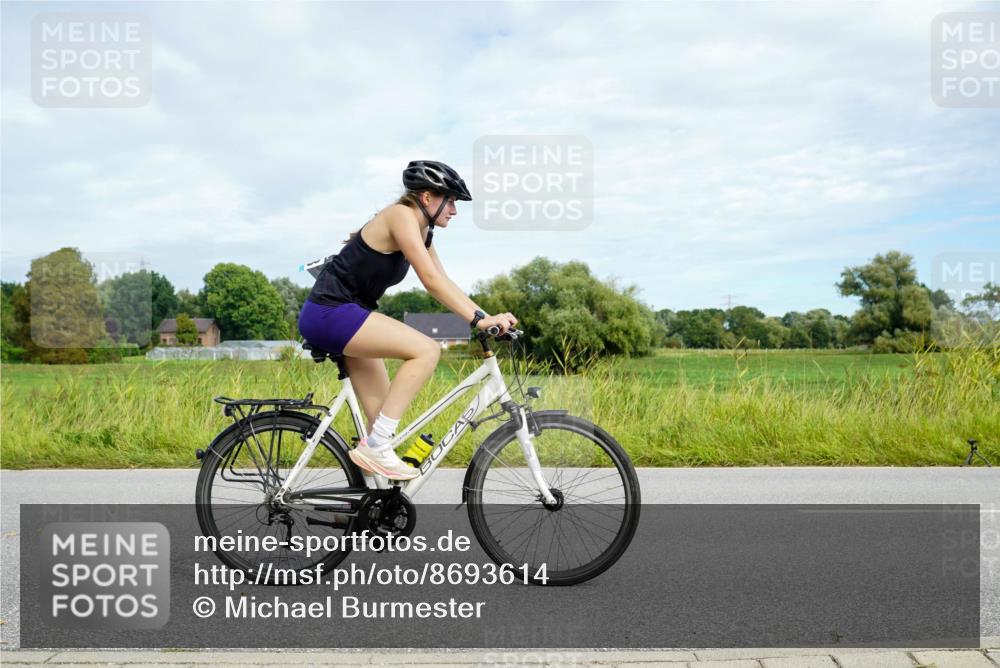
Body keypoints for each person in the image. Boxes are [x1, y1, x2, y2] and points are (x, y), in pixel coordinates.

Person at [297, 160, 517, 481]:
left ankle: (360, 510)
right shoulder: (401, 215)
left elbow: (444, 281)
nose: (454, 209)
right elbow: (429, 279)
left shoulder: (423, 232)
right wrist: (481, 321)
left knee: (378, 428)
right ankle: (378, 448)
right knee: (426, 350)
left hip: (350, 316)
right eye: (451, 200)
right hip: (330, 312)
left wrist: (484, 317)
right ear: (427, 198)